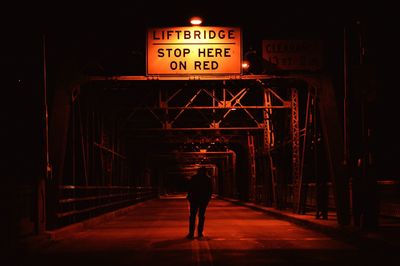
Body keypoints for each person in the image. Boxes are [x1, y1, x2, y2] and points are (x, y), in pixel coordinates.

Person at [186, 166, 213, 239]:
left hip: (195, 199)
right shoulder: (207, 179)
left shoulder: (194, 178)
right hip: (202, 200)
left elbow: (190, 188)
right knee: (201, 216)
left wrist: (189, 197)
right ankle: (199, 233)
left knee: (193, 216)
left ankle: (191, 234)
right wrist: (208, 199)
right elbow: (210, 190)